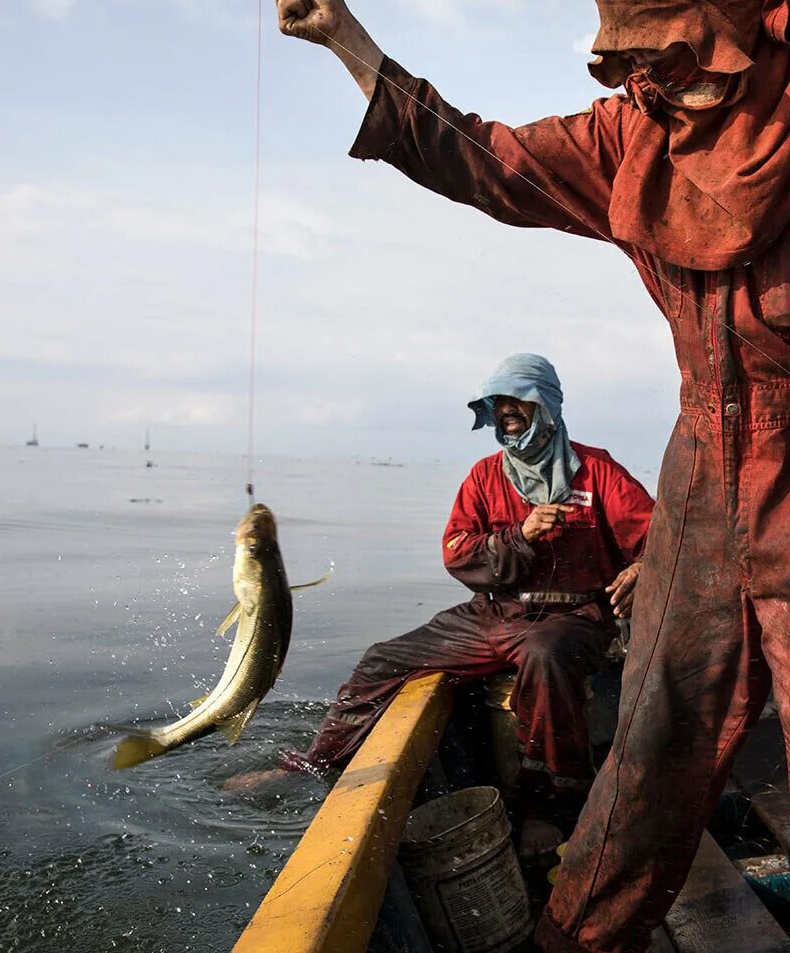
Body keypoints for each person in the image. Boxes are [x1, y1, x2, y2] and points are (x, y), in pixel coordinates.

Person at [258, 0, 790, 948]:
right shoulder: (631, 134)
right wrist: (350, 42)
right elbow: (488, 157)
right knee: (651, 744)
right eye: (644, 64)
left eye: (688, 60)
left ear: (753, 20)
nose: (668, 86)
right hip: (704, 471)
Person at [225, 354, 654, 858]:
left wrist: (643, 566)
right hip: (493, 614)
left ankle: (547, 806)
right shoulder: (484, 475)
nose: (507, 412)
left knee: (546, 658)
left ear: (547, 405)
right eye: (499, 403)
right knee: (381, 660)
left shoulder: (597, 470)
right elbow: (457, 554)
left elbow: (661, 537)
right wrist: (520, 536)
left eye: (518, 400)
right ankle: (316, 761)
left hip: (572, 618)